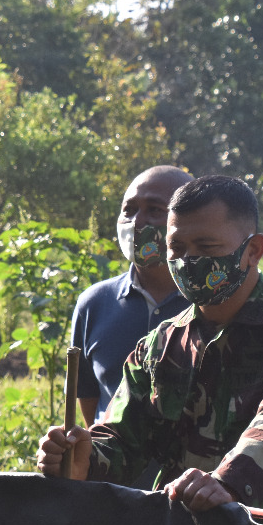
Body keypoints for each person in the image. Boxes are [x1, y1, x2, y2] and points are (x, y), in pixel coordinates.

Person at [38, 175, 263, 515]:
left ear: (253, 251)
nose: (188, 261)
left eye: (207, 247)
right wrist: (86, 458)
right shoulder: (159, 345)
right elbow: (123, 438)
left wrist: (227, 483)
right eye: (177, 248)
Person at [71, 165, 193, 423]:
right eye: (129, 210)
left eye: (155, 210)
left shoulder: (210, 302)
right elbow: (90, 400)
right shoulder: (93, 304)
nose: (136, 222)